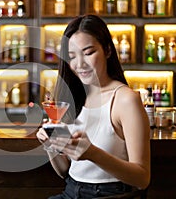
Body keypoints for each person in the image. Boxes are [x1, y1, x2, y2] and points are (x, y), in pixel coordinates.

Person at [37, 14, 150, 198]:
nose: (80, 64)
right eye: (72, 57)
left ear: (107, 50)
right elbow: (65, 171)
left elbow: (142, 178)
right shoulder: (74, 99)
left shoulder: (125, 100)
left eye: (88, 53)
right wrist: (50, 145)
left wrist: (93, 154)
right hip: (71, 191)